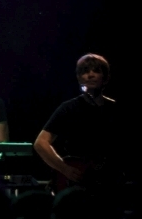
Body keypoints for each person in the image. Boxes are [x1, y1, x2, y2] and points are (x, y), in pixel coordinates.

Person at [33, 53, 124, 191]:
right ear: (79, 78)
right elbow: (41, 143)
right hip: (77, 185)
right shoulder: (69, 108)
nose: (90, 75)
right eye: (85, 71)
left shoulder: (115, 109)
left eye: (96, 71)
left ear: (105, 78)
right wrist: (65, 169)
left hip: (108, 182)